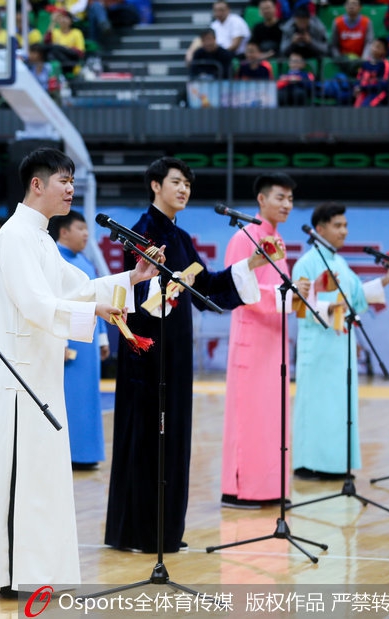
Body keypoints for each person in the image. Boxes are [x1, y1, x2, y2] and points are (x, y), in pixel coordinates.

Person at [0, 148, 163, 597]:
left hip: (40, 372)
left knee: (42, 476)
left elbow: (73, 286)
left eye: (73, 179)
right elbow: (36, 304)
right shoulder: (16, 235)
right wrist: (92, 311)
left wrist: (133, 278)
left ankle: (32, 571)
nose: (71, 188)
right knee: (23, 475)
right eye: (64, 179)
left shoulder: (37, 236)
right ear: (37, 184)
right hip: (19, 377)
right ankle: (12, 573)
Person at [104, 157, 264, 553]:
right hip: (147, 353)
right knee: (146, 437)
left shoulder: (181, 238)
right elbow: (137, 294)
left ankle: (165, 528)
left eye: (188, 185)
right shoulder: (139, 232)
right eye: (176, 182)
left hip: (175, 353)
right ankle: (140, 531)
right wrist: (166, 287)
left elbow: (206, 284)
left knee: (172, 436)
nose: (184, 190)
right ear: (155, 185)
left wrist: (252, 263)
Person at [292, 202, 389, 481]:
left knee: (339, 406)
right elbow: (301, 306)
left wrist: (387, 281)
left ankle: (336, 464)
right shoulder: (307, 262)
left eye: (346, 225)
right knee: (318, 406)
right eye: (338, 226)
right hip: (318, 347)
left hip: (340, 347)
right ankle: (310, 464)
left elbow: (354, 299)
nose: (344, 231)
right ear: (320, 229)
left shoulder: (339, 262)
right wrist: (332, 309)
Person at [220, 172, 308, 508]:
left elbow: (280, 291)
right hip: (252, 341)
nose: (286, 205)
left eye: (290, 199)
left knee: (273, 418)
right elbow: (239, 288)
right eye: (279, 198)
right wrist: (286, 293)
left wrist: (296, 294)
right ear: (261, 199)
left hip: (275, 341)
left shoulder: (278, 239)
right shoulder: (245, 236)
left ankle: (271, 488)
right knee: (250, 417)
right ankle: (240, 489)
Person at [49, 210, 111, 471]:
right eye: (80, 229)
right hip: (68, 342)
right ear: (64, 231)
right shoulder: (53, 259)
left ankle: (87, 453)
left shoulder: (86, 261)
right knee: (68, 398)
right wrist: (60, 341)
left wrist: (103, 338)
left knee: (88, 398)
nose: (86, 234)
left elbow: (96, 296)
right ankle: (67, 453)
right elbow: (52, 302)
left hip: (88, 341)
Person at [354, 38, 389, 107]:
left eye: (378, 47)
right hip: (364, 91)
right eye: (373, 45)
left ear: (384, 51)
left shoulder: (385, 64)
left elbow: (384, 84)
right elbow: (359, 77)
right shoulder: (365, 63)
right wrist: (356, 86)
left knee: (366, 107)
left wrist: (363, 88)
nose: (374, 48)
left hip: (378, 93)